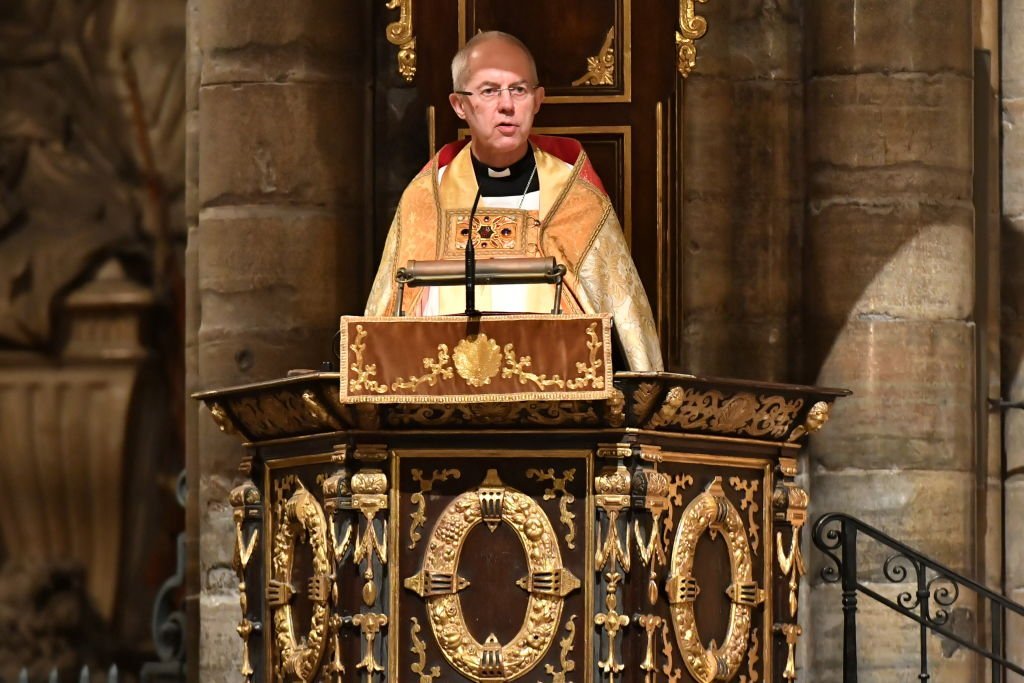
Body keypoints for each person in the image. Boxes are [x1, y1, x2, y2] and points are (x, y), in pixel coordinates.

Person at [365, 31, 663, 372]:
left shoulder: (576, 198)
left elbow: (625, 323)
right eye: (489, 90)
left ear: (537, 100)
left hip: (554, 398)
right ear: (459, 105)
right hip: (443, 396)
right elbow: (387, 320)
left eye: (518, 90)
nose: (506, 105)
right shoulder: (427, 199)